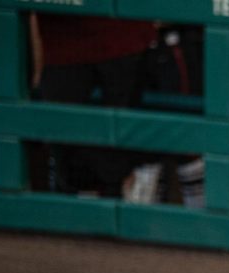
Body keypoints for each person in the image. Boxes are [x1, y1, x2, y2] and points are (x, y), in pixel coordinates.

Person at [34, 14, 156, 197]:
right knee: (64, 138)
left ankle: (122, 201)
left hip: (123, 35)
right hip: (60, 40)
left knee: (122, 142)